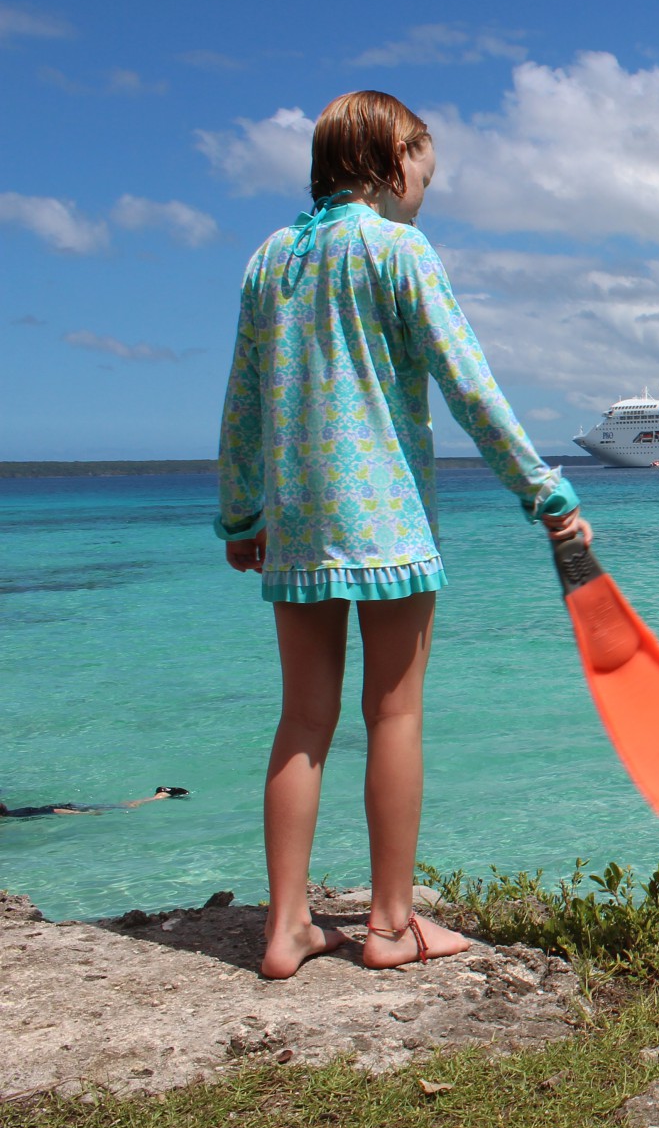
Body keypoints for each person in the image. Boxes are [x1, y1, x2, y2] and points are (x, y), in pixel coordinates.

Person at [216, 90, 590, 980]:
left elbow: (243, 400)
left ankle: (286, 928)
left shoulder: (270, 259)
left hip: (299, 526)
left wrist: (242, 513)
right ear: (391, 161)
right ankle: (389, 924)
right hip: (386, 521)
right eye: (424, 169)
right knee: (394, 712)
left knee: (302, 717)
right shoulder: (398, 250)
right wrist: (543, 491)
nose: (426, 189)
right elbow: (470, 386)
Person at [2, 787, 189, 817]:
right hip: (67, 805)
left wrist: (85, 815)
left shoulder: (16, 815)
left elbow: (55, 811)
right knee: (125, 804)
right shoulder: (13, 813)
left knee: (129, 806)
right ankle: (159, 794)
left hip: (69, 808)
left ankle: (161, 795)